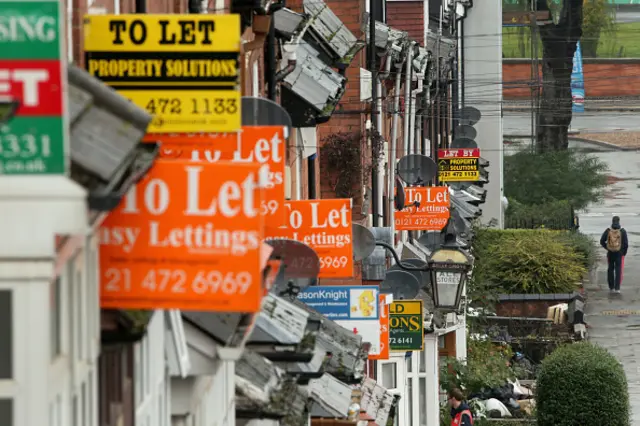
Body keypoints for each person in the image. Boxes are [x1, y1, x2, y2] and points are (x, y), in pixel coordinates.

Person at [600, 216, 629, 293]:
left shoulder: (608, 230)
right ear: (619, 221)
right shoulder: (623, 231)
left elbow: (602, 241)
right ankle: (617, 288)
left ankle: (611, 287)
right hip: (619, 254)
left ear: (612, 221)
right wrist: (623, 253)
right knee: (618, 270)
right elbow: (626, 244)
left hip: (610, 253)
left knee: (610, 269)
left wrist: (608, 248)